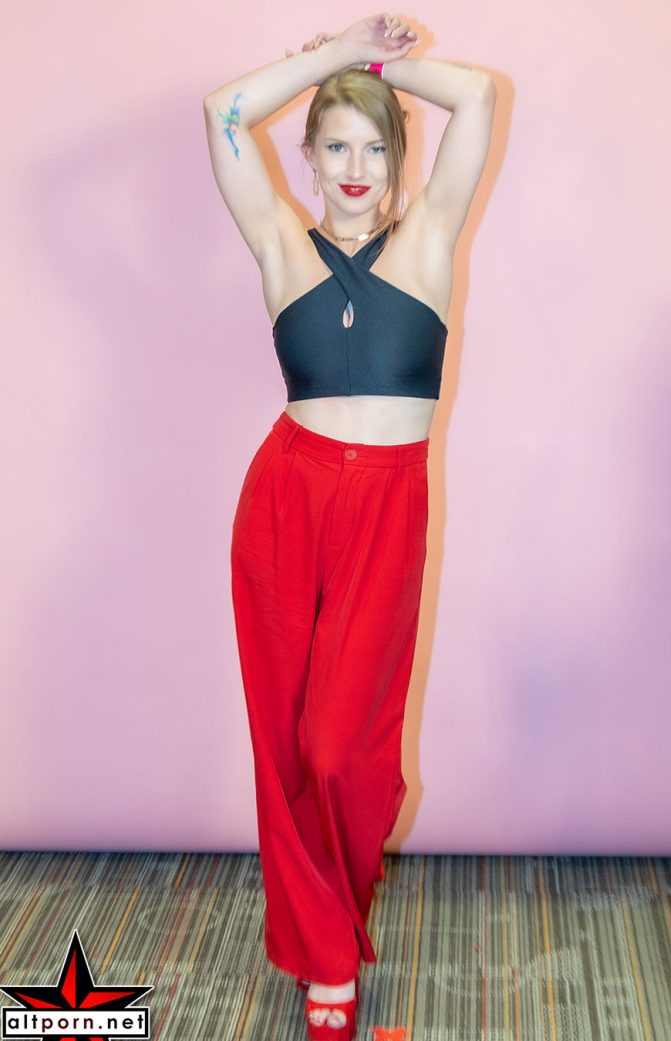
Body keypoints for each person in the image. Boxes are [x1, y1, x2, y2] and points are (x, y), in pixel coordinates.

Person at [203, 12, 495, 1040]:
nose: (356, 168)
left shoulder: (429, 238)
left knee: (339, 751)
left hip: (384, 509)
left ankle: (328, 918)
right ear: (310, 156)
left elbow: (476, 96)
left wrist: (377, 64)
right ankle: (324, 959)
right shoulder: (282, 244)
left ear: (400, 155)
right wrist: (327, 61)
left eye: (375, 146)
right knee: (285, 746)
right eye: (335, 146)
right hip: (285, 500)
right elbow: (220, 110)